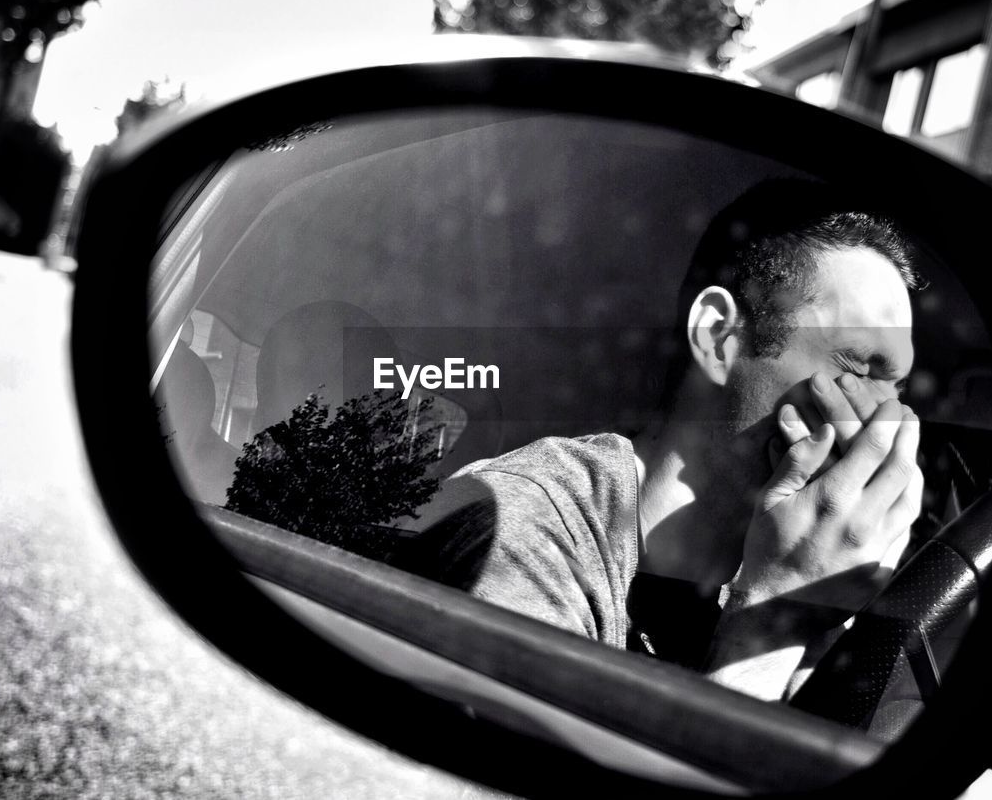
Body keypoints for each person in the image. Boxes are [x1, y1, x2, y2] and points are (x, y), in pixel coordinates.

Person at [396, 179, 924, 702]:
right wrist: (772, 626)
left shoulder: (804, 576)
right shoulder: (525, 526)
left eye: (898, 389)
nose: (891, 421)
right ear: (720, 340)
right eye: (858, 367)